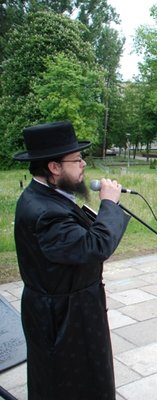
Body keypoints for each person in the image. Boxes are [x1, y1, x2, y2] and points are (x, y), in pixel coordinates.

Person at [13, 121, 130, 400]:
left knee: (82, 377)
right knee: (68, 383)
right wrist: (109, 205)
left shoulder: (49, 196)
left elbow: (75, 241)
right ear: (54, 167)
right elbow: (95, 246)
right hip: (63, 317)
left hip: (70, 307)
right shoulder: (45, 211)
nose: (83, 165)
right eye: (77, 160)